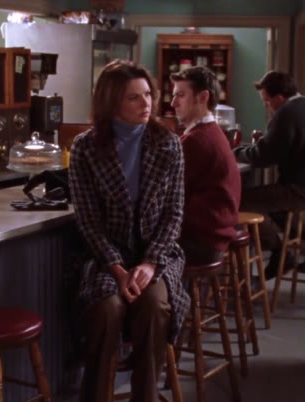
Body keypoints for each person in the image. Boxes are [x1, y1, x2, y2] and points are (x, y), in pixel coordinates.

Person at [69, 60, 189, 402]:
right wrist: (118, 269)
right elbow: (89, 221)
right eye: (134, 97)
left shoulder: (168, 144)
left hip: (157, 255)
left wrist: (150, 263)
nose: (146, 103)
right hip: (108, 258)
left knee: (154, 306)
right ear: (111, 102)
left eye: (148, 94)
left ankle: (145, 397)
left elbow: (174, 214)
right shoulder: (86, 148)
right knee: (106, 309)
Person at [232, 71, 305, 277]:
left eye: (267, 101)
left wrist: (234, 152)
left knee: (240, 202)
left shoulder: (286, 113)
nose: (267, 106)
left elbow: (263, 157)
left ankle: (279, 253)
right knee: (277, 207)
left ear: (280, 97)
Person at [170, 66, 241, 264]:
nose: (173, 103)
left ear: (203, 97)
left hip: (202, 243)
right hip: (215, 237)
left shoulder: (196, 140)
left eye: (180, 95)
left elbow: (170, 196)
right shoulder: (212, 131)